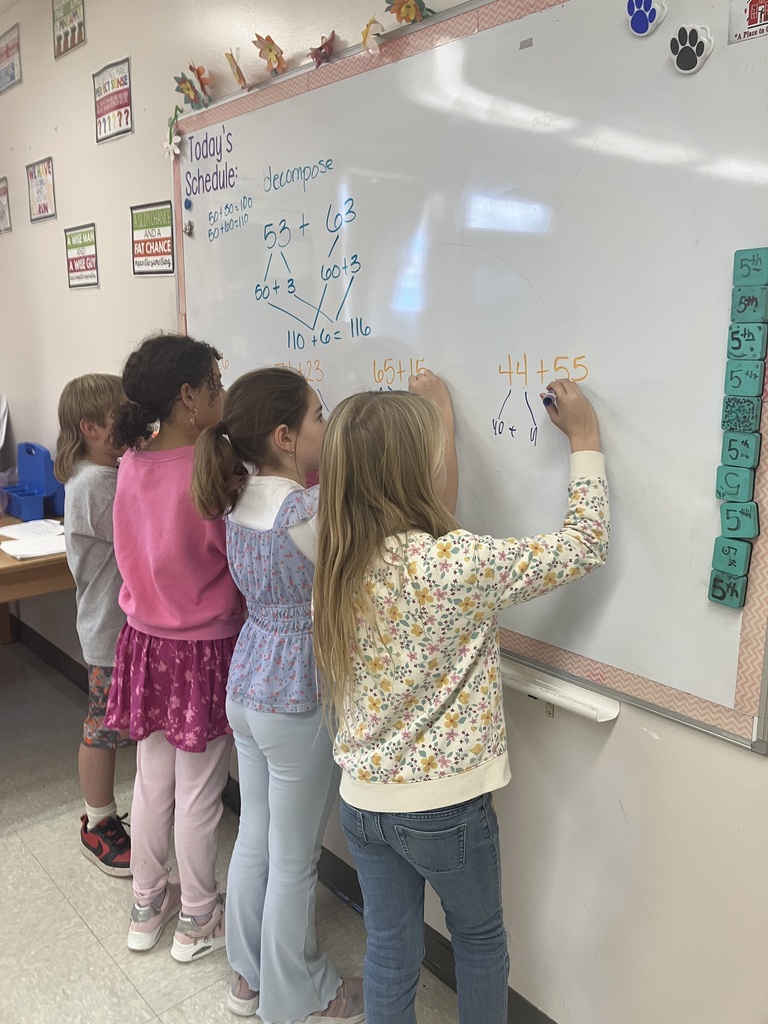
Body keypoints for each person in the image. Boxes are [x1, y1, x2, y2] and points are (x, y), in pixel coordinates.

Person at [313, 374, 609, 1024]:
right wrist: (585, 440)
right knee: (477, 938)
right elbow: (585, 545)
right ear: (416, 472)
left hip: (363, 799)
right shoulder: (455, 565)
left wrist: (440, 410)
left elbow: (425, 507)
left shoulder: (334, 556)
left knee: (391, 947)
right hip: (444, 806)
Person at [191, 366, 364, 1024]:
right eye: (321, 416)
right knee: (294, 858)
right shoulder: (307, 512)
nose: (328, 426)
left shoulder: (237, 498)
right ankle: (302, 999)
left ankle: (248, 977)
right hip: (295, 693)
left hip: (250, 678)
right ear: (287, 436)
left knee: (258, 835)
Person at [103, 333, 244, 962]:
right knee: (199, 791)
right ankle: (196, 917)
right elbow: (231, 562)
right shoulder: (215, 472)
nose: (223, 390)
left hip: (145, 645)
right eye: (216, 381)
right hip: (202, 651)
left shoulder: (131, 464)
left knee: (151, 780)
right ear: (189, 397)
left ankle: (145, 903)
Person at [55, 373, 132, 877]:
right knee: (101, 728)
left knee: (112, 726)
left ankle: (106, 814)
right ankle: (98, 821)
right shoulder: (95, 484)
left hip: (116, 627)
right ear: (90, 427)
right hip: (109, 632)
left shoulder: (102, 476)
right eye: (121, 420)